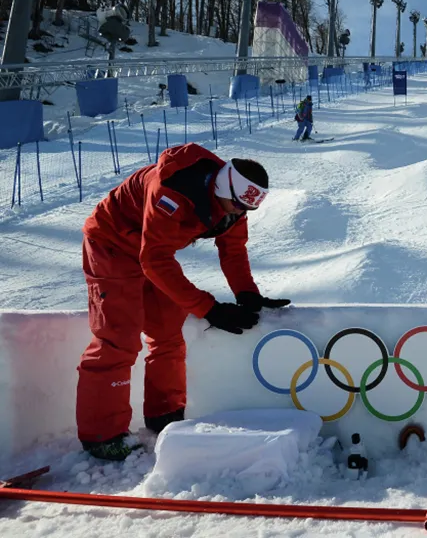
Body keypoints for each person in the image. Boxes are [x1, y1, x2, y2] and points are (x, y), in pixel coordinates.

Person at [76, 142, 290, 461]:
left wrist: (247, 294)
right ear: (221, 187)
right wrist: (210, 309)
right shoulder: (171, 191)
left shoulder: (235, 203)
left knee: (167, 331)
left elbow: (233, 250)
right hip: (112, 244)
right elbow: (154, 260)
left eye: (247, 210)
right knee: (118, 337)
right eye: (236, 207)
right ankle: (102, 435)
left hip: (153, 251)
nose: (240, 215)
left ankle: (164, 416)